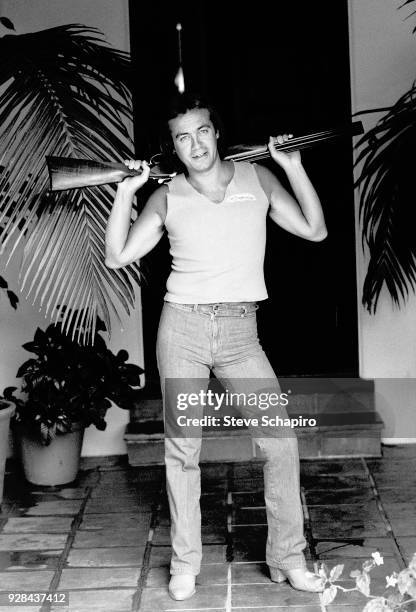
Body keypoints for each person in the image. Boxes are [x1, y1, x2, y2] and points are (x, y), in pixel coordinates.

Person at [105, 93, 328, 601]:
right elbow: (118, 255)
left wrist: (291, 167)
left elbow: (315, 231)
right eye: (182, 137)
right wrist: (126, 192)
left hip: (240, 333)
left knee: (281, 443)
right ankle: (185, 563)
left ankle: (288, 558)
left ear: (217, 132)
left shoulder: (257, 179)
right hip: (181, 329)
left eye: (202, 130)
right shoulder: (166, 197)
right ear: (175, 149)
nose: (195, 143)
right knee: (183, 448)